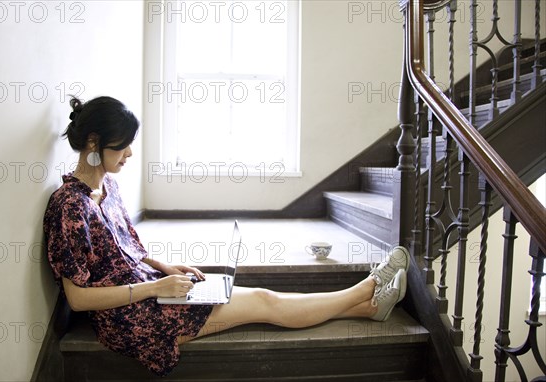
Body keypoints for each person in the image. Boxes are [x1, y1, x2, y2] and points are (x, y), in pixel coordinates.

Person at [43, 96, 410, 377]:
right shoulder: (69, 206)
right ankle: (363, 292)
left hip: (149, 290)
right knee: (266, 302)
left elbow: (128, 248)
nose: (129, 153)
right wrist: (155, 288)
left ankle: (368, 307)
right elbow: (77, 299)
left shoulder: (109, 188)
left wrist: (163, 266)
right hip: (130, 319)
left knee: (261, 297)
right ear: (94, 143)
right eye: (122, 145)